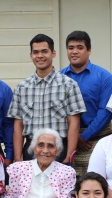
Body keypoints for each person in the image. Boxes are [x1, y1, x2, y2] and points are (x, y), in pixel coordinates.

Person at [7, 33, 86, 163]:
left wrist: (69, 156)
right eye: (35, 52)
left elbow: (74, 123)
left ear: (53, 53)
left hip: (59, 149)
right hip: (31, 149)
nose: (40, 56)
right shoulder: (22, 88)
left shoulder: (69, 85)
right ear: (31, 55)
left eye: (44, 51)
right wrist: (17, 157)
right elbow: (18, 125)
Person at [60, 30, 112, 175]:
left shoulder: (104, 77)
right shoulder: (59, 78)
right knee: (68, 187)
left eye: (80, 47)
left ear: (89, 50)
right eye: (70, 48)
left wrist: (83, 137)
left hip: (96, 139)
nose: (74, 52)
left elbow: (106, 111)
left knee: (97, 182)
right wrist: (73, 136)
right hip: (65, 141)